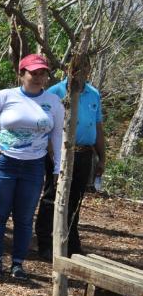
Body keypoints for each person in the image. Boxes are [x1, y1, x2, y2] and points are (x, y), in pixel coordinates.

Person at [0, 53, 64, 280]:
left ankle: (18, 264)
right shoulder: (6, 96)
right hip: (4, 163)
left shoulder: (53, 102)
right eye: (33, 73)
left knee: (24, 217)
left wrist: (57, 168)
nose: (38, 77)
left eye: (42, 73)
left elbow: (58, 136)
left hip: (34, 166)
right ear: (21, 74)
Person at [33, 61, 105, 258]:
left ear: (89, 69)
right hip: (60, 151)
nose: (79, 72)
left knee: (75, 199)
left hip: (85, 153)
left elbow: (97, 127)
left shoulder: (93, 94)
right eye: (75, 68)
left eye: (83, 68)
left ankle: (70, 243)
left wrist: (101, 158)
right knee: (52, 195)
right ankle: (45, 243)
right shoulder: (55, 92)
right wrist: (52, 152)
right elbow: (45, 125)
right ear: (67, 69)